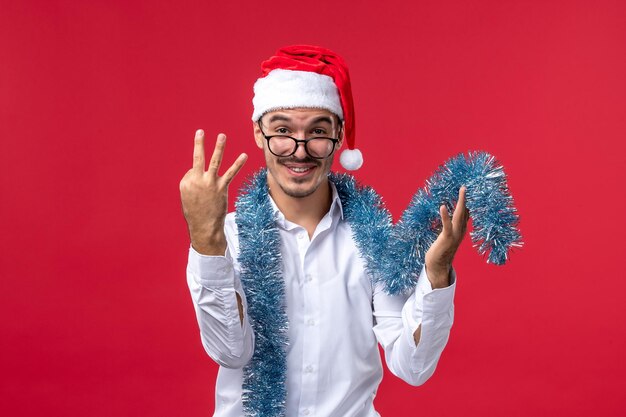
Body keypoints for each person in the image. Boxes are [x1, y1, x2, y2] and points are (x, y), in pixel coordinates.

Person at [179, 45, 469, 417]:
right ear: (257, 132)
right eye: (282, 130)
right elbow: (230, 351)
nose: (299, 151)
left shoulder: (373, 238)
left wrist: (437, 271)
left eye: (317, 131)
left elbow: (412, 366)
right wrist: (206, 239)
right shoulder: (224, 237)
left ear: (338, 135)